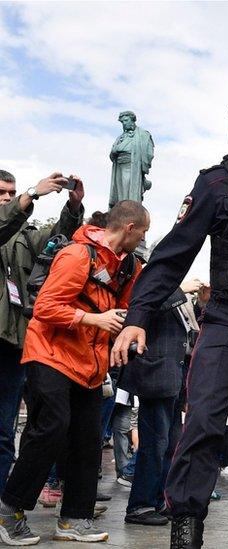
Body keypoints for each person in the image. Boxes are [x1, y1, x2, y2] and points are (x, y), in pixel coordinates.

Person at [111, 81, 228, 549]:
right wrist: (137, 314)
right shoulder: (219, 182)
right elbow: (173, 256)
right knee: (202, 419)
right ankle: (186, 526)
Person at [0, 201, 147, 546]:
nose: (143, 238)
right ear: (129, 228)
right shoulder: (78, 255)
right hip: (50, 353)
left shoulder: (128, 266)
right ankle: (10, 510)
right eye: (143, 231)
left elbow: (127, 308)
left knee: (87, 439)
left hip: (90, 362)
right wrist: (93, 319)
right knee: (51, 426)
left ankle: (74, 519)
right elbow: (46, 306)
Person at [0, 170, 85, 497]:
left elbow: (60, 239)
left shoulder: (23, 237)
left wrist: (73, 207)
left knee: (5, 434)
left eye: (12, 192)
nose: (7, 198)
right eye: (2, 193)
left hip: (14, 345)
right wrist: (33, 193)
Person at [117, 280, 200, 528]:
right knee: (154, 443)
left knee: (170, 444)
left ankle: (158, 500)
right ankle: (140, 504)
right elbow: (144, 308)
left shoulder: (179, 299)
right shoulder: (155, 286)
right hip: (155, 374)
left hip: (174, 375)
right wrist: (177, 288)